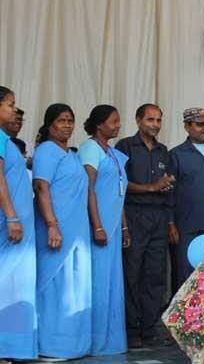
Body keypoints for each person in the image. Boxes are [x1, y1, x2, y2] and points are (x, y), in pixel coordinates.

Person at [32, 104, 92, 359]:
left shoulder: (70, 154)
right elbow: (41, 188)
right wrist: (52, 225)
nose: (67, 125)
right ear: (49, 125)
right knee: (54, 286)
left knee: (74, 285)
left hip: (77, 230)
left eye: (70, 120)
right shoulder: (46, 150)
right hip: (55, 229)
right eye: (61, 121)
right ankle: (49, 346)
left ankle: (73, 346)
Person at [115, 104, 175, 348]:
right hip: (134, 215)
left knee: (155, 275)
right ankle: (132, 330)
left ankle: (149, 329)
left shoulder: (163, 151)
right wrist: (151, 187)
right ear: (138, 120)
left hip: (158, 216)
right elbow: (119, 183)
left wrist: (166, 185)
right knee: (132, 273)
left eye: (159, 120)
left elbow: (166, 186)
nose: (155, 125)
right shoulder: (125, 147)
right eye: (150, 120)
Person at [78, 105, 129, 356]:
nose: (118, 125)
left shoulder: (112, 152)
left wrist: (125, 226)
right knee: (98, 282)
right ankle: (94, 341)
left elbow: (119, 192)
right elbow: (89, 189)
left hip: (113, 226)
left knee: (111, 282)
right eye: (113, 121)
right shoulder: (90, 148)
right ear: (99, 124)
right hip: (97, 226)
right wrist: (97, 225)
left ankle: (109, 340)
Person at [0, 87, 37, 361]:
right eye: (10, 104)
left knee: (15, 285)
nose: (15, 110)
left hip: (17, 224)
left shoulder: (6, 139)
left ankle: (11, 346)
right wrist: (12, 216)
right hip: (7, 223)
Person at [168, 108, 204, 288]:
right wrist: (170, 223)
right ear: (187, 126)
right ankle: (184, 308)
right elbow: (169, 193)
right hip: (187, 227)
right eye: (200, 124)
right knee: (187, 277)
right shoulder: (176, 155)